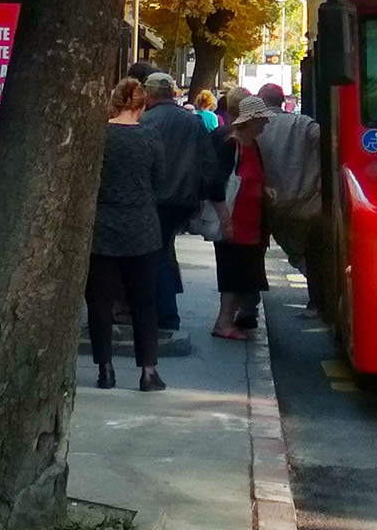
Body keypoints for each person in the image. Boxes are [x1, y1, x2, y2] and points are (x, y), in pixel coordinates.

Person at [86, 79, 167, 392]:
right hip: (142, 227)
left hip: (102, 225)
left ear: (115, 103)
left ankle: (105, 369)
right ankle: (148, 372)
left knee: (99, 301)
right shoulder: (150, 136)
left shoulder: (99, 136)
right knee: (144, 301)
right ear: (142, 105)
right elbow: (160, 180)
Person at [138, 72, 218, 332]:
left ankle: (166, 315)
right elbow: (208, 163)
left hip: (153, 198)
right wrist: (202, 196)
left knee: (156, 255)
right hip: (183, 200)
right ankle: (166, 307)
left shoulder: (145, 121)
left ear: (148, 94)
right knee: (164, 250)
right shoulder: (192, 122)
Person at [255, 83, 325, 315]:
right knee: (312, 254)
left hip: (271, 204)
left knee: (281, 253)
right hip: (307, 202)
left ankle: (250, 304)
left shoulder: (256, 128)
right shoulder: (302, 124)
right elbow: (324, 142)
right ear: (282, 101)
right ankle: (319, 299)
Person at [210, 95, 271, 338]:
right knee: (232, 273)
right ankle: (223, 322)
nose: (265, 124)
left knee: (243, 273)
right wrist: (225, 221)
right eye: (261, 120)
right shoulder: (231, 145)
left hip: (250, 222)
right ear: (250, 121)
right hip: (235, 221)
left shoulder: (252, 145)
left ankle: (227, 321)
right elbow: (215, 185)